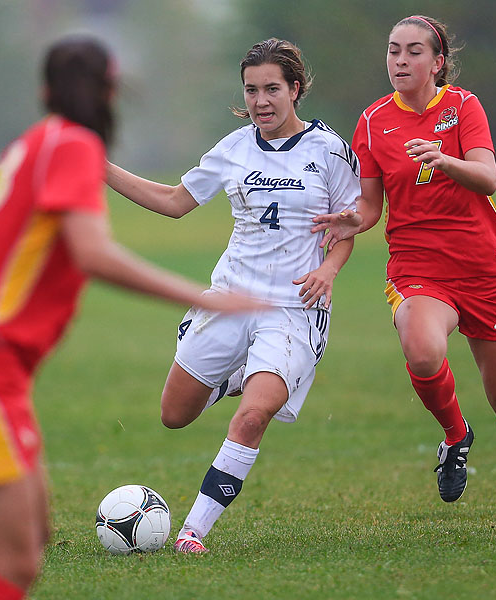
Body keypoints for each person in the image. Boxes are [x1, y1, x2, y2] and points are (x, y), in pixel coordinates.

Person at [0, 37, 263, 600]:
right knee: (11, 561)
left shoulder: (30, 146)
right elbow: (93, 254)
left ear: (46, 91)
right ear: (110, 92)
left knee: (30, 542)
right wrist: (205, 299)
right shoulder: (73, 146)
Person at [312, 15, 496, 533]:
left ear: (438, 62)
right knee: (422, 346)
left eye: (413, 52)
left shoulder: (462, 106)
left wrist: (443, 159)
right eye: (392, 51)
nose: (400, 61)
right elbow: (370, 207)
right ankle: (456, 435)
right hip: (418, 265)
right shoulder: (372, 122)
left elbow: (489, 177)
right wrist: (350, 219)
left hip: (482, 268)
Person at [106, 38, 361, 553]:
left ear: (295, 89)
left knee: (253, 415)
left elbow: (350, 224)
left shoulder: (329, 150)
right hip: (230, 297)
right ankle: (240, 376)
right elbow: (175, 202)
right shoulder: (233, 149)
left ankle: (192, 532)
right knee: (175, 415)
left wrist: (330, 268)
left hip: (294, 308)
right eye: (251, 90)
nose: (260, 100)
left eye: (271, 88)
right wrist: (100, 168)